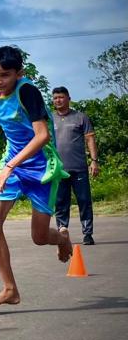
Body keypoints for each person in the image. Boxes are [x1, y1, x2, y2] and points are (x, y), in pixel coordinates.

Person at [0, 46, 73, 307]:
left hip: (42, 167)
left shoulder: (27, 92)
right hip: (12, 164)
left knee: (39, 237)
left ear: (19, 73)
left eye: (5, 75)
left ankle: (62, 237)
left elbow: (42, 135)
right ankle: (10, 289)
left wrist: (10, 166)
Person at [51, 86, 99, 245]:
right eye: (55, 98)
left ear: (68, 99)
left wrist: (94, 161)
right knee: (60, 203)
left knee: (84, 201)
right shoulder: (50, 119)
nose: (58, 100)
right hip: (58, 170)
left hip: (79, 168)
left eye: (61, 97)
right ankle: (62, 233)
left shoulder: (80, 117)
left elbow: (90, 139)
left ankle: (87, 234)